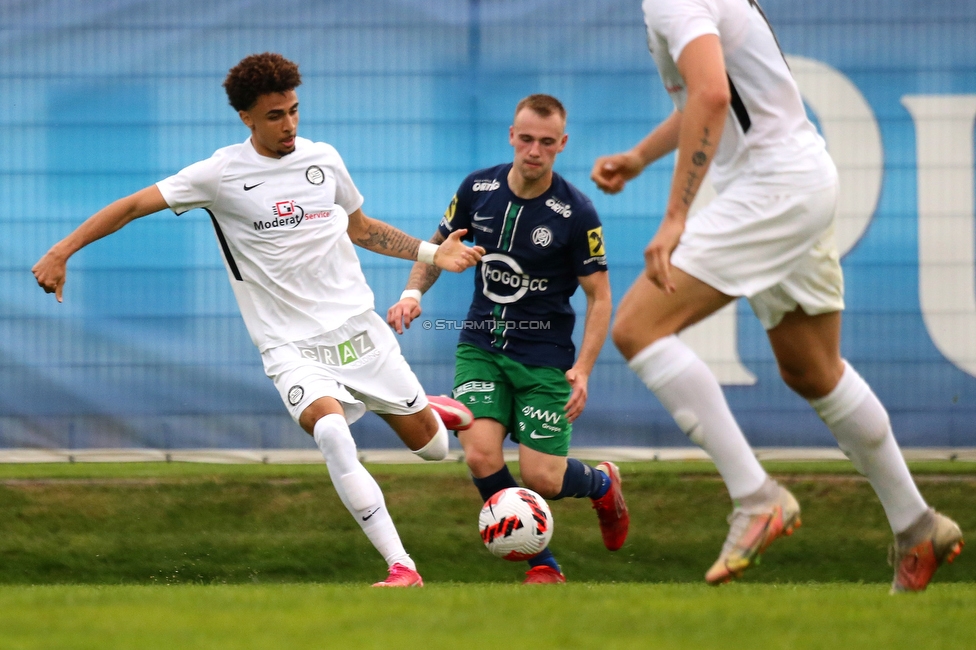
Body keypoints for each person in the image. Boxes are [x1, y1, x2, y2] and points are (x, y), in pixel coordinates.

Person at [32, 52, 485, 588]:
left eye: (293, 110)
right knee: (334, 434)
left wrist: (433, 256)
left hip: (360, 331)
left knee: (433, 450)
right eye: (274, 115)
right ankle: (401, 566)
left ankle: (427, 407)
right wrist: (62, 251)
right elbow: (132, 205)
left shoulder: (324, 159)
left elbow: (360, 229)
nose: (289, 123)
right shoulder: (219, 174)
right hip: (289, 345)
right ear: (246, 117)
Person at [590, 0, 964, 591]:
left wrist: (676, 216)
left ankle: (756, 498)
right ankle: (917, 525)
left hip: (771, 188)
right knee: (813, 370)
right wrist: (639, 157)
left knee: (638, 328)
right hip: (799, 180)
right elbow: (711, 99)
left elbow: (711, 95)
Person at [387, 94, 627, 584]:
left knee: (545, 479)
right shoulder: (478, 188)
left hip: (544, 357)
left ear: (562, 145)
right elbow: (438, 249)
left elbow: (600, 298)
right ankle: (543, 562)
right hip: (482, 346)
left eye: (546, 142)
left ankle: (603, 485)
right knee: (479, 454)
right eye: (525, 139)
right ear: (512, 137)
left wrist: (583, 368)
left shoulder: (576, 213)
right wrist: (413, 293)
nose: (533, 150)